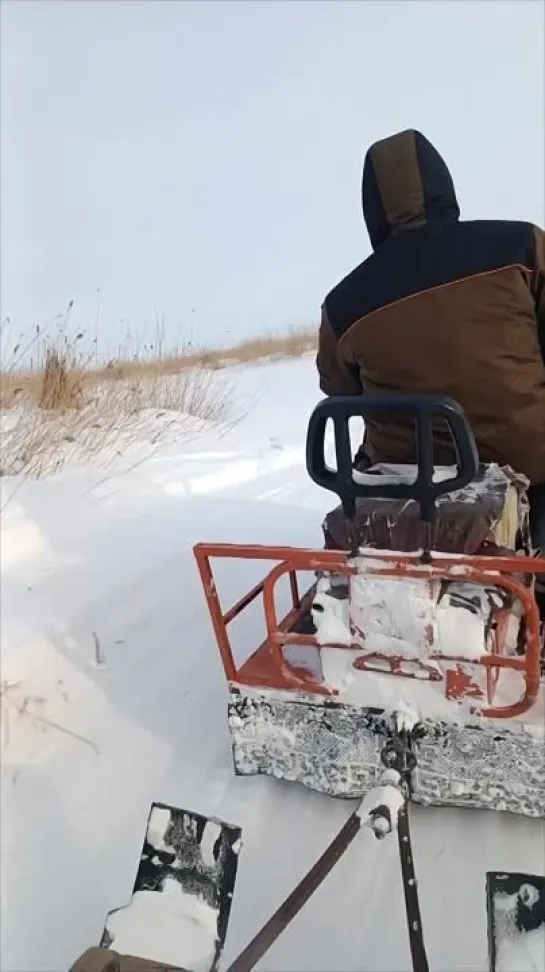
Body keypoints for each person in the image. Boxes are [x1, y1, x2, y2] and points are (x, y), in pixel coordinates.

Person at [316, 128, 545, 556]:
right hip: (530, 464)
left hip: (406, 476)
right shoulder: (519, 244)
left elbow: (339, 389)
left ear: (373, 209)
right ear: (443, 185)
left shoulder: (343, 303)